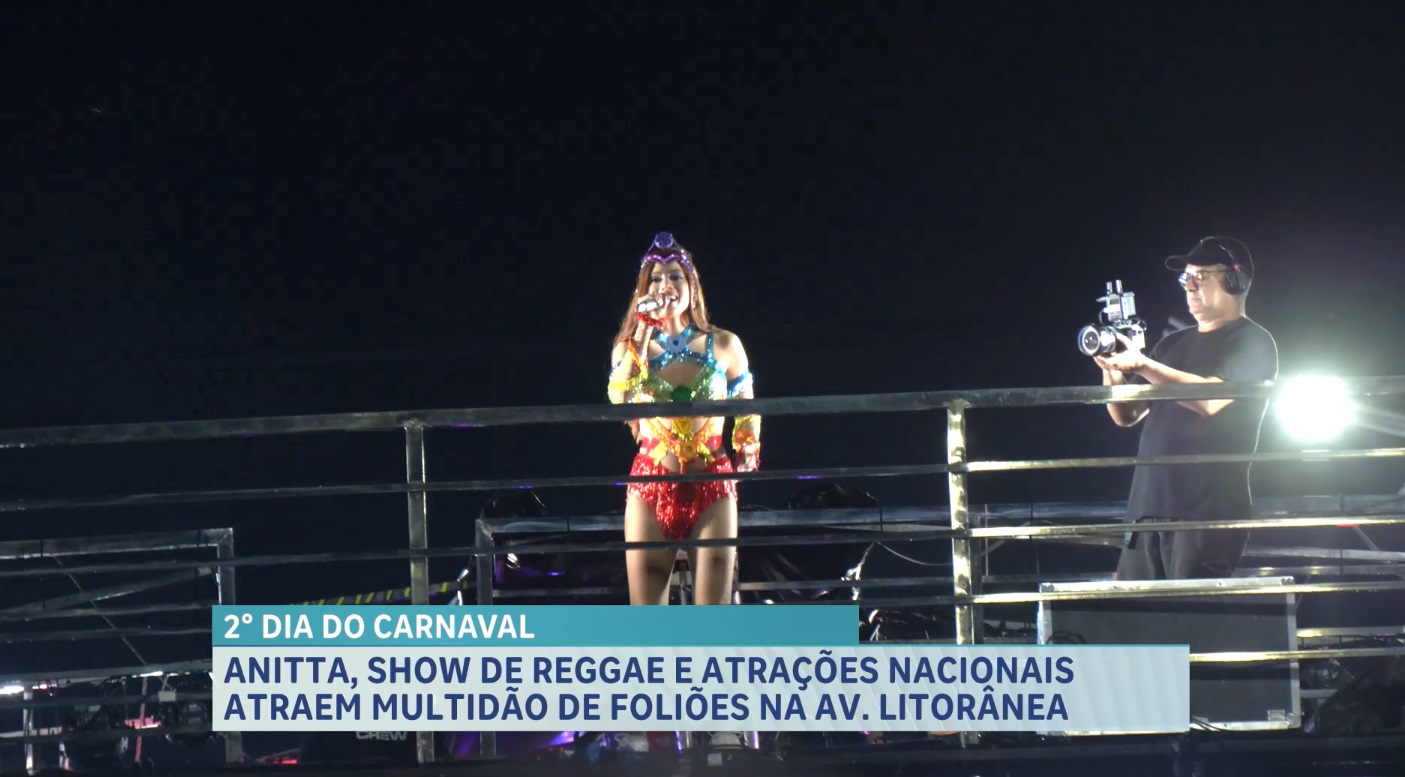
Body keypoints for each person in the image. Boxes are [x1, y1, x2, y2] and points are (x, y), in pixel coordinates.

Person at [1094, 236, 1279, 580]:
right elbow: (1125, 414)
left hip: (1203, 515)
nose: (1190, 286)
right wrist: (1110, 366)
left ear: (1235, 279)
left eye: (1201, 276)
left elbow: (1209, 400)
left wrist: (1142, 364)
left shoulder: (1253, 341)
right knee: (1135, 611)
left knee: (1193, 610)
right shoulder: (1171, 344)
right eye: (1186, 278)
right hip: (1145, 511)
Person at [607, 231, 760, 606]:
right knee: (649, 620)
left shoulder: (724, 344)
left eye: (676, 276)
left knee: (713, 614)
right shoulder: (629, 348)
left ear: (692, 286)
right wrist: (643, 328)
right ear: (643, 291)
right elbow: (619, 398)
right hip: (651, 484)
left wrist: (747, 444)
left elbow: (746, 404)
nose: (666, 286)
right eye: (655, 279)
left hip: (712, 482)